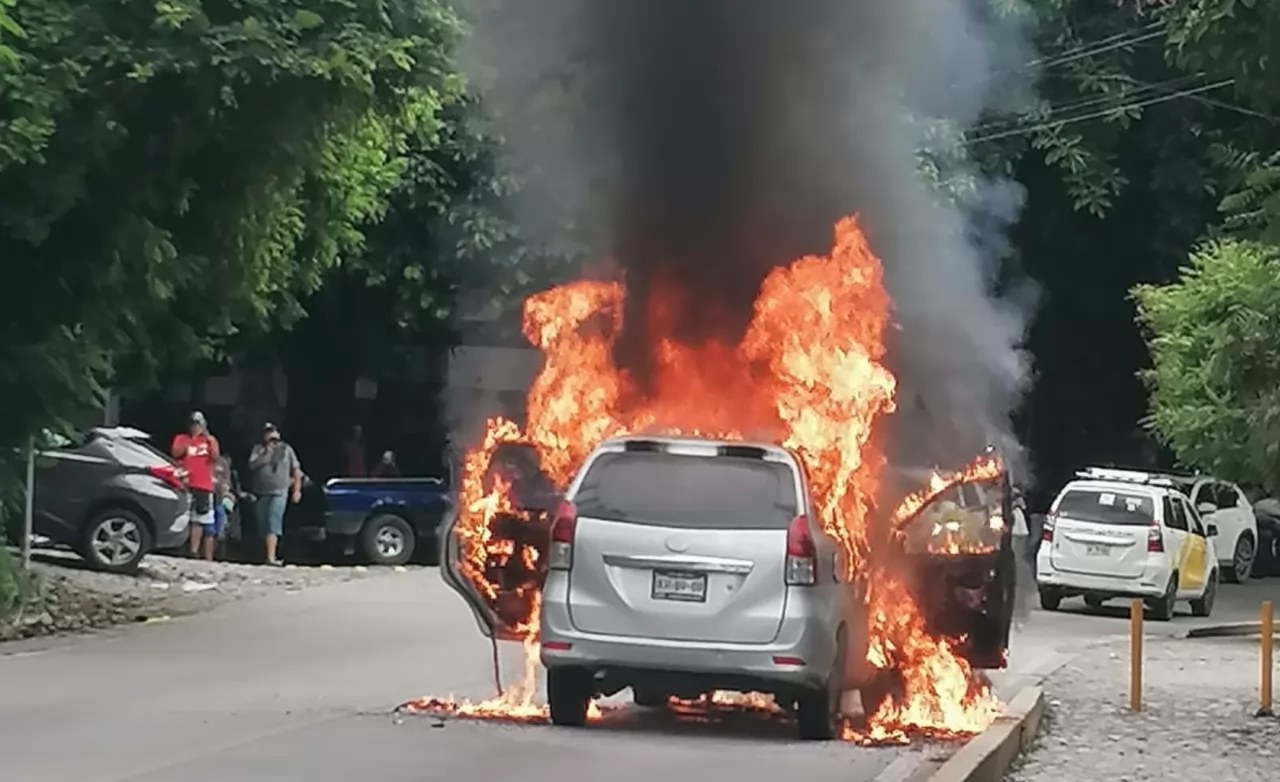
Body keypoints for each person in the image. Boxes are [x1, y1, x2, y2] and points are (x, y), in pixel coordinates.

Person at [248, 422, 302, 566]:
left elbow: (296, 470)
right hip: (261, 492)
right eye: (268, 433)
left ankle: (271, 558)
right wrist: (267, 454)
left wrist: (297, 490)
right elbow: (252, 465)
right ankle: (265, 554)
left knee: (273, 522)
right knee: (262, 525)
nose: (271, 436)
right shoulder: (258, 449)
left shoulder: (286, 449)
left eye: (273, 432)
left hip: (279, 491)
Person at [172, 411, 221, 559]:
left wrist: (209, 440)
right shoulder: (181, 438)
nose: (195, 427)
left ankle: (204, 555)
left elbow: (215, 456)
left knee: (203, 519)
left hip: (203, 484)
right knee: (188, 518)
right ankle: (190, 551)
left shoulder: (209, 440)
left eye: (198, 424)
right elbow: (175, 452)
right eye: (193, 424)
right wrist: (191, 441)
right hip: (185, 483)